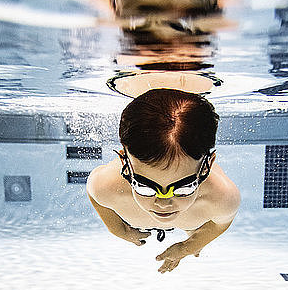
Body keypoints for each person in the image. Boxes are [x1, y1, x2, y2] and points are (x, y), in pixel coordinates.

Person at [86, 88, 240, 273]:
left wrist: (187, 247)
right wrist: (118, 229)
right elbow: (94, 195)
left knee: (195, 232)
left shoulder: (222, 198)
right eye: (145, 187)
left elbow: (220, 224)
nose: (163, 204)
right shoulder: (107, 186)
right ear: (124, 164)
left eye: (184, 188)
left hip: (194, 217)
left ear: (206, 167)